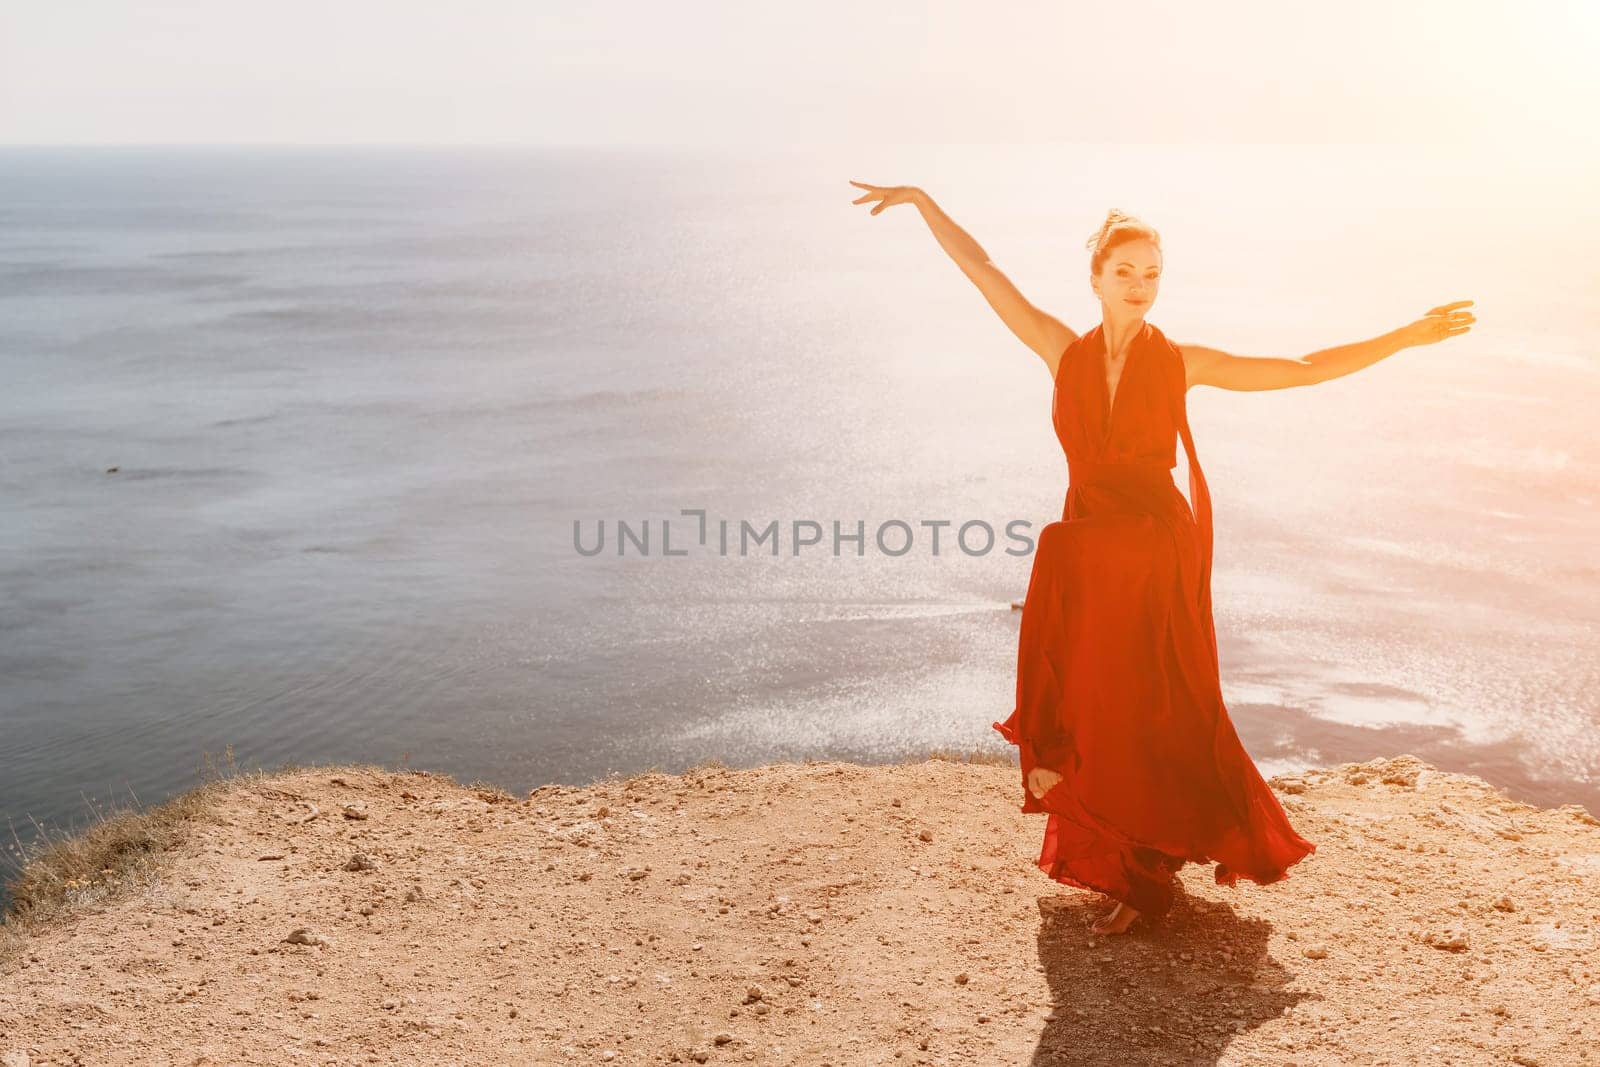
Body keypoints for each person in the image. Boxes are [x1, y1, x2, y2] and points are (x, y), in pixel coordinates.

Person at [848, 180, 1474, 935]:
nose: (1140, 287)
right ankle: (1130, 857)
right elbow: (983, 269)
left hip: (1149, 548)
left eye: (1152, 275)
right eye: (1125, 273)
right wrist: (922, 202)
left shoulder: (1180, 361)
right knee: (1097, 697)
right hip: (1093, 543)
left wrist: (1404, 336)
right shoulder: (1061, 349)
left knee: (1148, 696)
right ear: (1096, 278)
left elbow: (1302, 366)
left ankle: (1142, 865)